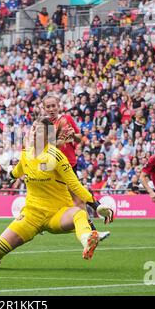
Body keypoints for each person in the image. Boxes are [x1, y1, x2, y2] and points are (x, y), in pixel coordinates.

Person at [0, 118, 113, 269]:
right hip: (31, 216)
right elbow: (18, 170)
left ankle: (87, 241)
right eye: (32, 129)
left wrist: (96, 206)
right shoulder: (26, 154)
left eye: (37, 131)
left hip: (57, 213)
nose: (32, 133)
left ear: (47, 137)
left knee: (79, 214)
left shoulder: (56, 157)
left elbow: (75, 185)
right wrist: (10, 176)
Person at [42, 94, 112, 241]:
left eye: (53, 106)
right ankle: (96, 219)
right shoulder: (44, 125)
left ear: (58, 105)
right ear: (44, 108)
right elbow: (46, 147)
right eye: (48, 107)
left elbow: (80, 139)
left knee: (78, 199)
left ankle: (93, 230)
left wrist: (73, 136)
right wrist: (61, 140)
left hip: (69, 164)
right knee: (73, 198)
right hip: (54, 168)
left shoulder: (67, 119)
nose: (51, 109)